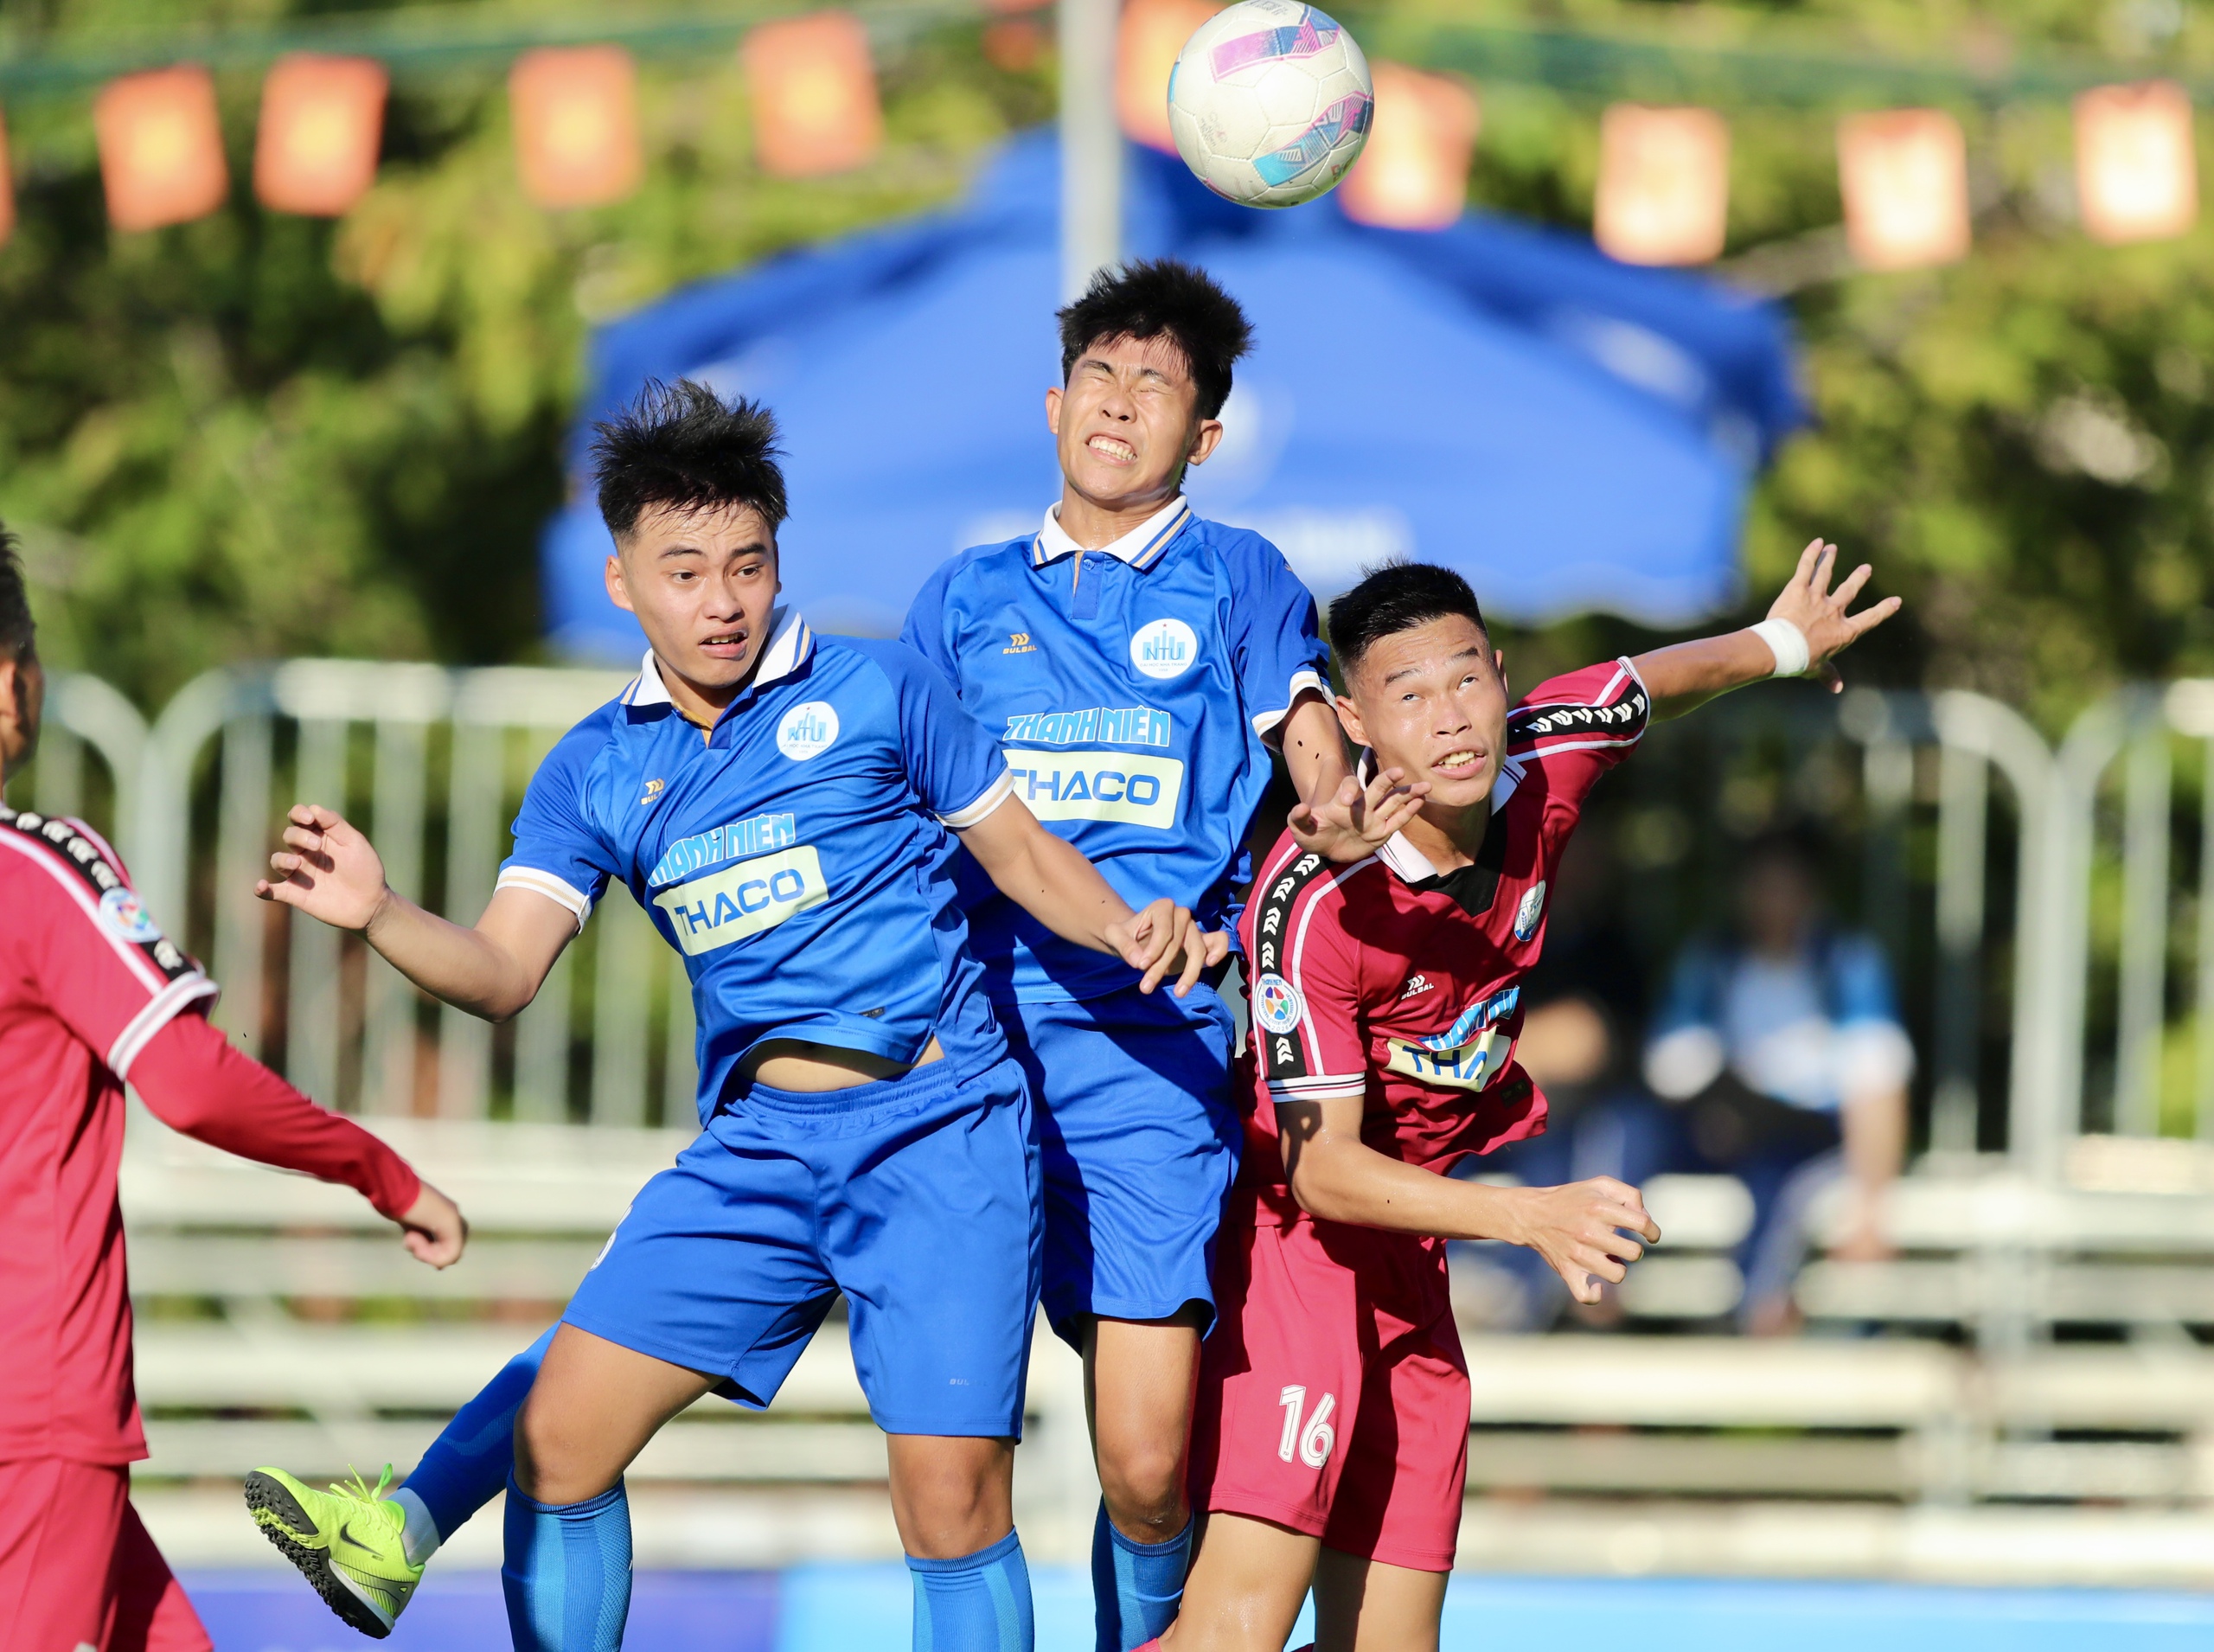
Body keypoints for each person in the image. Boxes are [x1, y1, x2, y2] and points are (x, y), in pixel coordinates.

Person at [244, 381, 1207, 1652]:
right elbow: (500, 970)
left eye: (748, 565)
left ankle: (394, 1530)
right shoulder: (594, 767)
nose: (723, 599)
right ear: (622, 579)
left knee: (952, 1502)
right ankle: (400, 1533)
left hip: (939, 1132)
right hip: (757, 1150)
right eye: (685, 570)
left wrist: (1125, 923)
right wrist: (379, 912)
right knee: (560, 1437)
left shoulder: (877, 689)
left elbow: (1028, 858)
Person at [1155, 542, 1899, 1652]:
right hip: (1294, 1254)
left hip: (1413, 1254)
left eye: (1465, 678)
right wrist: (1530, 1214)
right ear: (1357, 727)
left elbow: (1649, 680)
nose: (1449, 717)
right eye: (1407, 696)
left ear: (1502, 677)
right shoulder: (1312, 901)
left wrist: (1783, 642)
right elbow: (1322, 1167)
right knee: (1237, 1633)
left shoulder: (1545, 755)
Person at [900, 259, 1407, 1652]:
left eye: (1159, 388)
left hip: (1149, 1050)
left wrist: (1331, 801)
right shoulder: (963, 594)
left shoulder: (1238, 574)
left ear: (1207, 436)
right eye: (1102, 379)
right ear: (1056, 402)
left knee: (1142, 1458)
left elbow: (1300, 728)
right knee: (948, 1470)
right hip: (973, 1053)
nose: (1122, 405)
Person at [0, 523, 468, 1652]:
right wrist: (381, 1168)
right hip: (29, 1410)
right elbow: (189, 1080)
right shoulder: (34, 868)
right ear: (19, 683)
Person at [1642, 828, 1913, 1333]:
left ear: (1812, 894)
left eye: (1785, 887)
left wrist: (1873, 1208)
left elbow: (1877, 1089)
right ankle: (1590, 1283)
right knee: (1629, 1131)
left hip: (1811, 1138)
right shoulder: (1713, 961)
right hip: (1723, 1131)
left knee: (1779, 1173)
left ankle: (1758, 1313)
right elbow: (1669, 1068)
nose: (1772, 902)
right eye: (1761, 887)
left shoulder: (1847, 966)